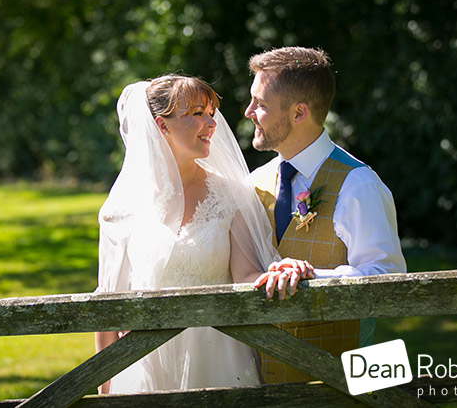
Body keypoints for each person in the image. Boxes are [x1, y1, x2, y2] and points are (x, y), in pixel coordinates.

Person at [94, 75, 313, 394]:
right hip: (145, 363)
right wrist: (104, 386)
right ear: (162, 125)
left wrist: (276, 272)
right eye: (197, 113)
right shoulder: (124, 207)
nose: (212, 123)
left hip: (218, 359)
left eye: (211, 113)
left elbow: (246, 274)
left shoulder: (231, 194)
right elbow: (108, 302)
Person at [244, 46, 407, 384]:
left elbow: (388, 281)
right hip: (259, 379)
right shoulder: (254, 182)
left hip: (342, 382)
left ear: (298, 112)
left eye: (260, 104)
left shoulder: (359, 184)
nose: (248, 112)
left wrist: (313, 278)